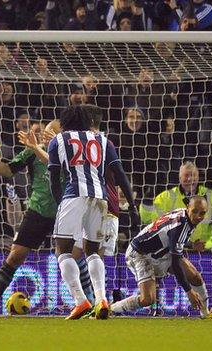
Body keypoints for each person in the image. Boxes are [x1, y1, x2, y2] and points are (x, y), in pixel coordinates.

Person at [47, 105, 139, 320]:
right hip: (100, 199)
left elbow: (53, 177)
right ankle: (101, 299)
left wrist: (61, 203)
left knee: (63, 251)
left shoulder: (58, 140)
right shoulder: (103, 140)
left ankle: (80, 301)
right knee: (93, 251)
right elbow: (120, 174)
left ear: (64, 122)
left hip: (73, 195)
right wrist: (133, 206)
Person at [0, 122, 57, 318]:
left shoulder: (71, 154)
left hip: (65, 212)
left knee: (74, 256)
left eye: (51, 131)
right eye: (45, 131)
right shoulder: (33, 152)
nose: (45, 135)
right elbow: (8, 170)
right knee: (15, 255)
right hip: (38, 210)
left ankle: (92, 302)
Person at [138, 161, 212, 319]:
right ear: (179, 177)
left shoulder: (210, 195)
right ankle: (156, 308)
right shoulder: (167, 196)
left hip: (207, 252)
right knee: (168, 266)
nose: (190, 179)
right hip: (175, 249)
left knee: (195, 276)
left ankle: (207, 311)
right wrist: (147, 203)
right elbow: (149, 220)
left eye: (194, 175)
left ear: (199, 177)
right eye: (186, 175)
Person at [111, 197, 208, 315]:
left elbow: (173, 239)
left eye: (202, 213)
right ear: (188, 207)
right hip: (139, 254)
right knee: (147, 299)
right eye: (195, 211)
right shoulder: (180, 226)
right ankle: (112, 308)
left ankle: (206, 314)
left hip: (158, 254)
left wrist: (192, 245)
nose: (198, 216)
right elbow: (176, 263)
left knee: (195, 277)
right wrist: (189, 292)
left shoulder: (183, 216)